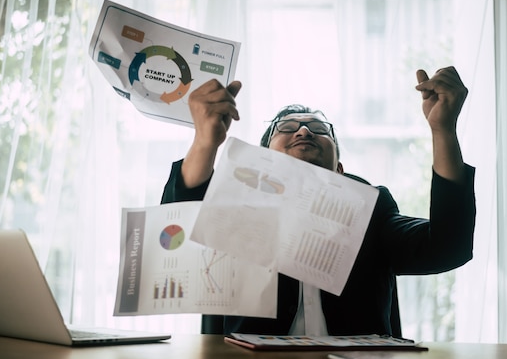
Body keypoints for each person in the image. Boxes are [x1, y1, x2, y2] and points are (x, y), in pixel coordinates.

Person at [161, 67, 475, 337]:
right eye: (287, 127)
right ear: (264, 158)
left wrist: (443, 130)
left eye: (319, 129)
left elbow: (447, 247)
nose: (303, 130)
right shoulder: (236, 206)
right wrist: (204, 141)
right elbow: (173, 232)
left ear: (340, 170)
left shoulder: (370, 208)